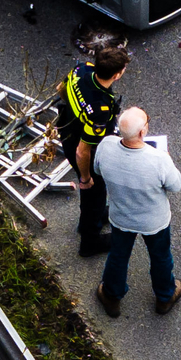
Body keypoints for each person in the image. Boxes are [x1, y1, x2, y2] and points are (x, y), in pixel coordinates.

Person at [93, 107, 181, 316]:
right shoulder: (158, 159)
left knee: (118, 256)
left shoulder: (106, 146)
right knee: (160, 257)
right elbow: (175, 185)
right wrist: (167, 158)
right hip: (154, 221)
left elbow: (97, 170)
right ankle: (165, 296)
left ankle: (111, 295)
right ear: (143, 133)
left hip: (120, 216)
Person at [55, 46, 130, 257]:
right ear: (116, 75)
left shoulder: (82, 69)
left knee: (94, 198)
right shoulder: (100, 110)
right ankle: (90, 241)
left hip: (67, 128)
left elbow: (61, 88)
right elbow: (82, 151)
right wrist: (86, 178)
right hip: (82, 149)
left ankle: (91, 220)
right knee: (94, 193)